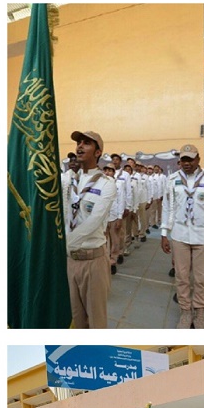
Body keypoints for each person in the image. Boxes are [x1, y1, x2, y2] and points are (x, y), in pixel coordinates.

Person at [161, 144, 204, 329]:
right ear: (179, 161)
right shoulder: (172, 180)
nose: (187, 163)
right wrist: (164, 233)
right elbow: (168, 207)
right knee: (182, 277)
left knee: (201, 278)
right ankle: (185, 312)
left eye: (190, 159)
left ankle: (199, 313)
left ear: (198, 159)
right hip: (180, 235)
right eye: (183, 159)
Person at [65, 130, 116, 328]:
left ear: (98, 152)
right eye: (78, 142)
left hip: (93, 260)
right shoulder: (68, 180)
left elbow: (94, 221)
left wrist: (66, 244)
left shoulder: (107, 184)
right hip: (71, 260)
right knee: (76, 320)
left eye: (86, 143)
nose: (79, 146)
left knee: (96, 322)